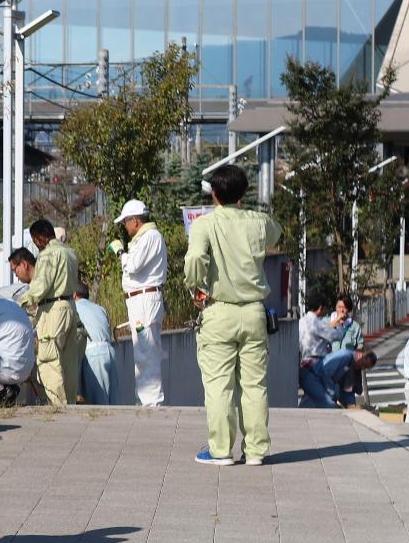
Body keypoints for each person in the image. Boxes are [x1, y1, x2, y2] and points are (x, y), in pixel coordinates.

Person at [184, 163, 282, 466]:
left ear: (214, 194)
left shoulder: (204, 224)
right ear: (243, 193)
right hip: (254, 312)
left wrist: (195, 287)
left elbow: (196, 258)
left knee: (219, 385)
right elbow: (277, 237)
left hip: (219, 311)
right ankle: (255, 451)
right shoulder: (259, 221)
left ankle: (220, 450)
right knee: (254, 385)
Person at [25, 218, 85, 405]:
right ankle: (70, 403)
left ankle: (58, 405)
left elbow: (41, 285)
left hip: (53, 310)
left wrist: (23, 301)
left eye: (35, 239)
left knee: (49, 358)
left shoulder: (48, 254)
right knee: (69, 361)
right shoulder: (70, 252)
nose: (35, 244)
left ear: (40, 236)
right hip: (70, 307)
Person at [114, 199, 167, 405]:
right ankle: (145, 399)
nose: (125, 227)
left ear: (134, 221)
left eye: (126, 222)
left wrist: (121, 253)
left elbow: (134, 265)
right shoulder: (144, 237)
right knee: (143, 350)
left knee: (147, 350)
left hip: (145, 299)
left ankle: (151, 402)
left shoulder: (150, 237)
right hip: (141, 299)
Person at [73, 284, 117, 407]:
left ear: (74, 295)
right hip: (110, 351)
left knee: (98, 406)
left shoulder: (74, 307)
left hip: (94, 354)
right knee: (113, 404)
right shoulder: (100, 308)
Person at [300, 347, 377, 409]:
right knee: (329, 406)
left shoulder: (353, 368)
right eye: (363, 363)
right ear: (360, 355)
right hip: (313, 376)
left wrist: (352, 406)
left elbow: (346, 391)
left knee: (321, 406)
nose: (362, 367)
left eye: (365, 367)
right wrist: (331, 392)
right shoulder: (345, 355)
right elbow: (326, 371)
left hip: (321, 383)